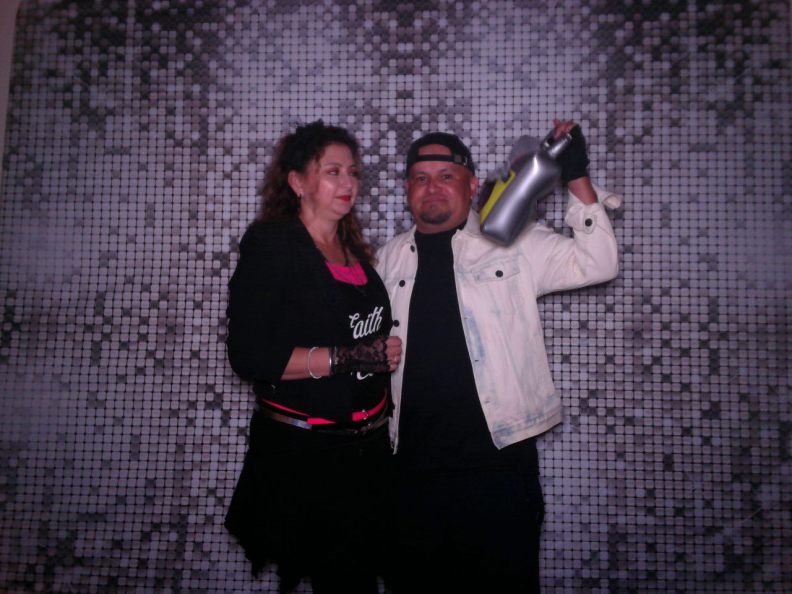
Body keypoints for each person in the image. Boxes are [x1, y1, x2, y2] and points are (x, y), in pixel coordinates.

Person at [376, 120, 619, 593]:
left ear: (471, 185)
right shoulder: (385, 261)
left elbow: (600, 262)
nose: (432, 187)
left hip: (498, 468)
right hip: (409, 470)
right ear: (407, 190)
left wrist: (576, 176)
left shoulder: (515, 242)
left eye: (446, 176)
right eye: (421, 178)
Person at [224, 120, 402, 594]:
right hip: (307, 458)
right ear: (298, 182)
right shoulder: (272, 244)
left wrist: (380, 351)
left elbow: (355, 333)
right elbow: (248, 355)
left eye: (353, 172)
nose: (348, 183)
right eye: (332, 171)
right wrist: (345, 358)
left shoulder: (353, 249)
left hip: (367, 453)